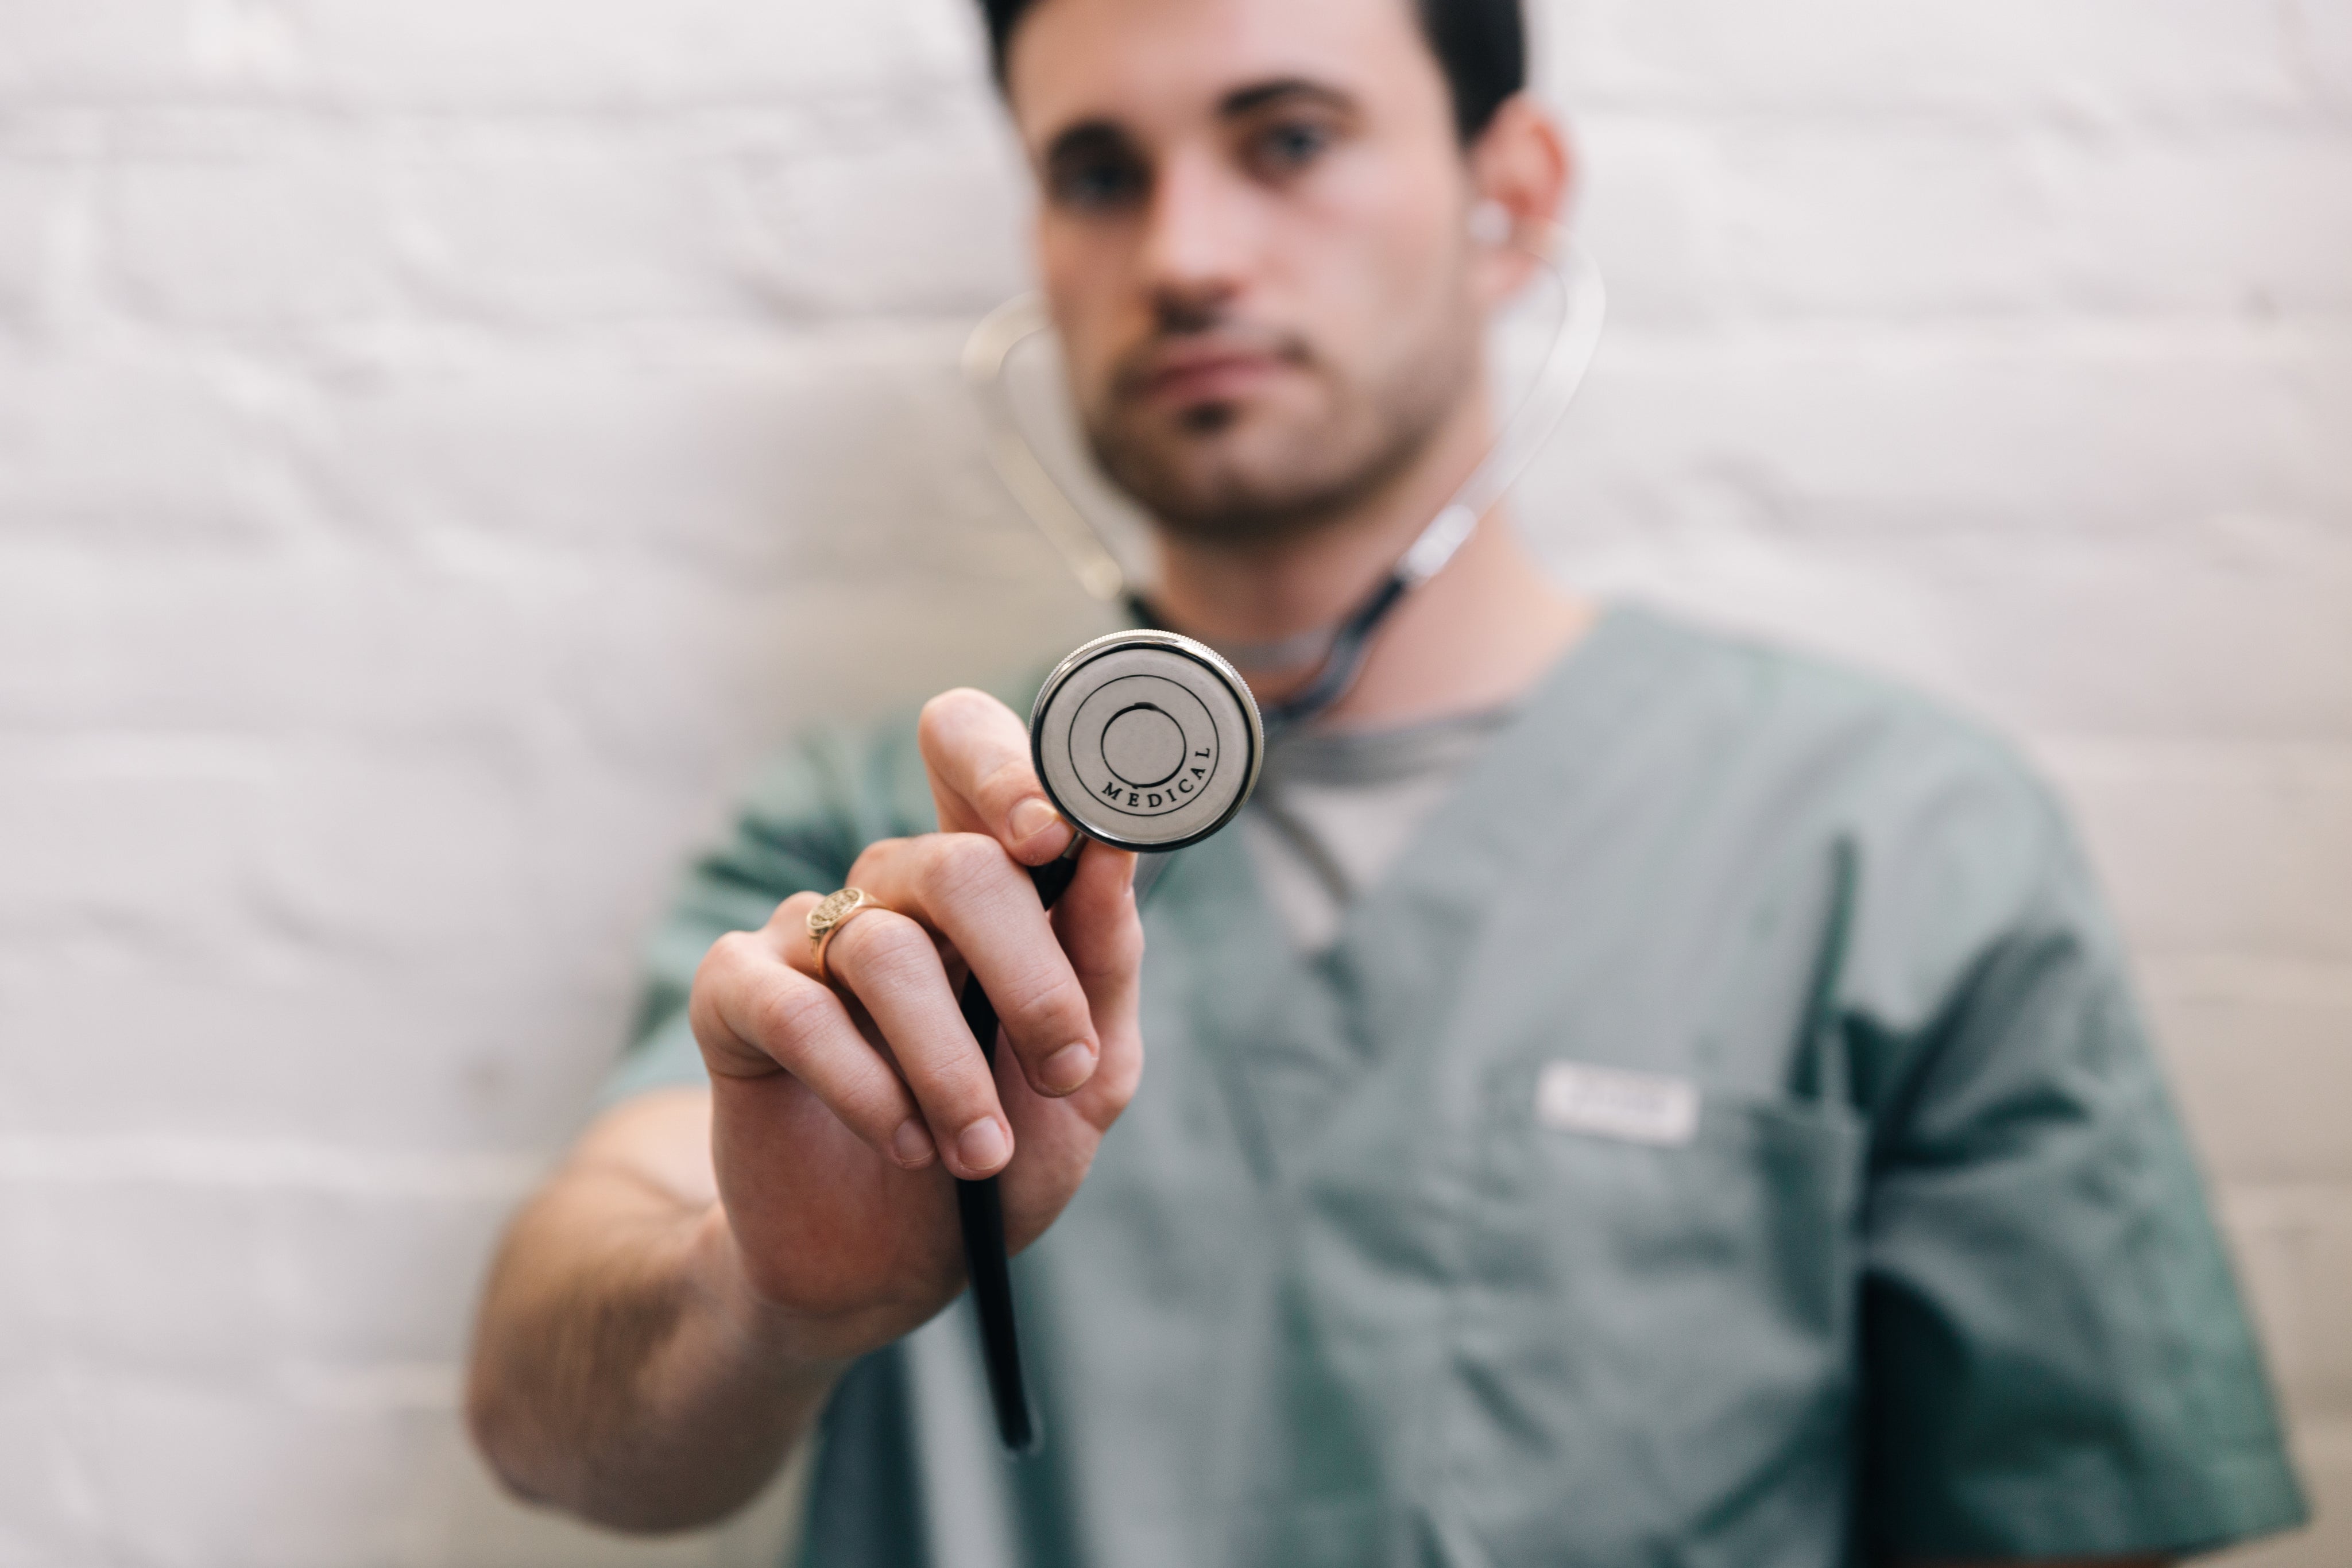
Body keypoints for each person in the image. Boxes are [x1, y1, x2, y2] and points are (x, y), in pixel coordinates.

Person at [464, 0, 2310, 1562]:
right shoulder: (868, 851)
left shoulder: (1898, 846)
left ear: (1509, 204)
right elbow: (549, 1413)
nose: (1184, 252)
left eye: (1286, 138)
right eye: (1098, 172)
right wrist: (766, 1301)